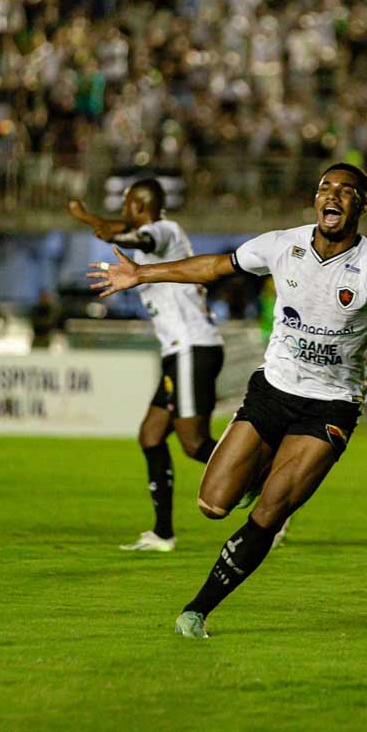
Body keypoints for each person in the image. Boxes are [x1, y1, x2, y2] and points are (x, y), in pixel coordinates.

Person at [88, 163, 367, 638]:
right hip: (273, 390)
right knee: (212, 505)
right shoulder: (283, 245)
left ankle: (197, 609)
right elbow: (216, 266)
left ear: (362, 205)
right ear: (316, 199)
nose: (332, 195)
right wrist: (141, 274)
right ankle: (265, 473)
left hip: (330, 405)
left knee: (270, 511)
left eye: (346, 190)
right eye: (325, 187)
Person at [69, 179, 225, 552]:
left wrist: (93, 221)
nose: (123, 212)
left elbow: (142, 240)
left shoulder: (164, 231)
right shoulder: (151, 226)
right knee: (151, 436)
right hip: (180, 351)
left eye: (126, 205)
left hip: (192, 347)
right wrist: (91, 219)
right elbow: (122, 229)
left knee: (193, 443)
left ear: (138, 206)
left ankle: (266, 484)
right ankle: (163, 533)